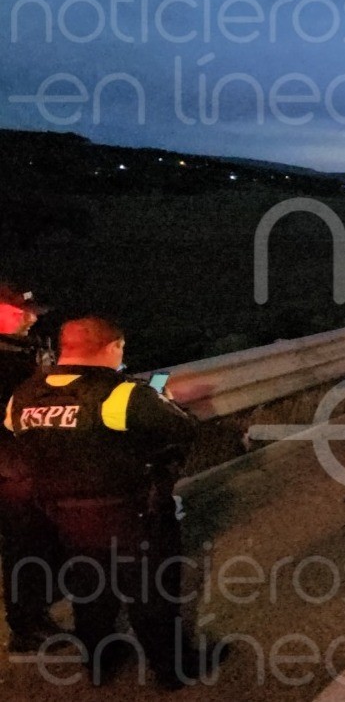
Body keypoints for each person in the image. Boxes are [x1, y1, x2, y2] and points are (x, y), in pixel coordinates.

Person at [4, 317, 205, 688]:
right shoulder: (123, 394)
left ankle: (100, 661)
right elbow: (183, 429)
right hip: (129, 513)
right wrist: (165, 401)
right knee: (151, 594)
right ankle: (174, 669)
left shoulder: (22, 396)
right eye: (121, 350)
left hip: (62, 517)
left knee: (90, 590)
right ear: (113, 347)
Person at [0, 283, 64, 655]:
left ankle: (35, 610)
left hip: (31, 462)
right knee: (23, 543)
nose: (32, 317)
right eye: (21, 311)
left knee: (39, 539)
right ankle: (24, 627)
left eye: (35, 311)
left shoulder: (28, 348)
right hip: (10, 467)